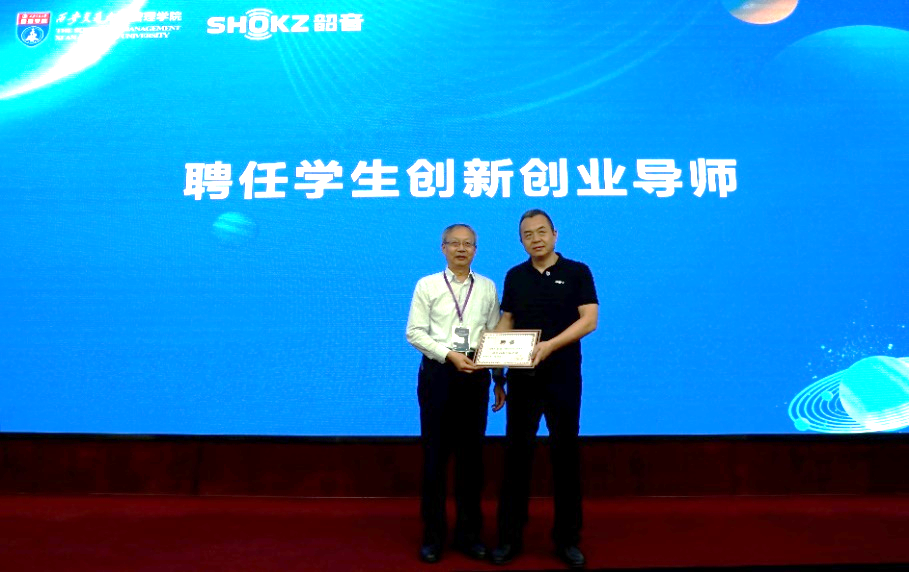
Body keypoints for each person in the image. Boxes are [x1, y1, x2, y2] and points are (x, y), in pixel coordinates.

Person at [491, 209, 598, 569]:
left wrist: (550, 345)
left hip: (563, 377)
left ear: (555, 234)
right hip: (522, 379)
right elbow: (506, 322)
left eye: (541, 232)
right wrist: (496, 371)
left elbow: (589, 320)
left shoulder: (577, 272)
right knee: (516, 457)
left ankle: (567, 539)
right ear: (521, 241)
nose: (535, 239)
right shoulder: (515, 276)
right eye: (527, 234)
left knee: (565, 456)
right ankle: (509, 537)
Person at [405, 223, 505, 564]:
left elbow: (493, 334)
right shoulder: (427, 285)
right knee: (435, 458)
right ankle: (433, 536)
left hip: (476, 374)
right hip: (439, 374)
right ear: (443, 248)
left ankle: (469, 535)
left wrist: (499, 377)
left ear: (475, 249)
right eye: (454, 243)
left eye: (468, 244)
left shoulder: (487, 286)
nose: (462, 249)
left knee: (471, 460)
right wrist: (449, 355)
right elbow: (414, 332)